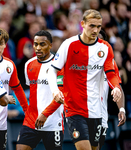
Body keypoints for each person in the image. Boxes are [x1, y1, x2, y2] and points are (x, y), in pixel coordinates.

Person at [47, 9, 122, 150]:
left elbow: (111, 73)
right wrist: (55, 90)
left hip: (96, 109)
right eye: (92, 26)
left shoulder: (105, 48)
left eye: (98, 26)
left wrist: (116, 87)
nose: (95, 30)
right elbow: (52, 70)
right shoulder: (69, 45)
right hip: (74, 109)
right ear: (82, 24)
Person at [16, 30, 64, 150]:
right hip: (31, 121)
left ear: (50, 45)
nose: (37, 48)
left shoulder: (59, 66)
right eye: (35, 44)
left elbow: (61, 96)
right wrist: (27, 111)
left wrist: (44, 114)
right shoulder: (28, 65)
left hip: (52, 122)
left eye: (42, 44)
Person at [98, 30, 126, 149]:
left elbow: (117, 87)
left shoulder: (111, 63)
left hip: (101, 115)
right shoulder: (79, 61)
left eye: (99, 40)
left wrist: (122, 109)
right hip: (81, 113)